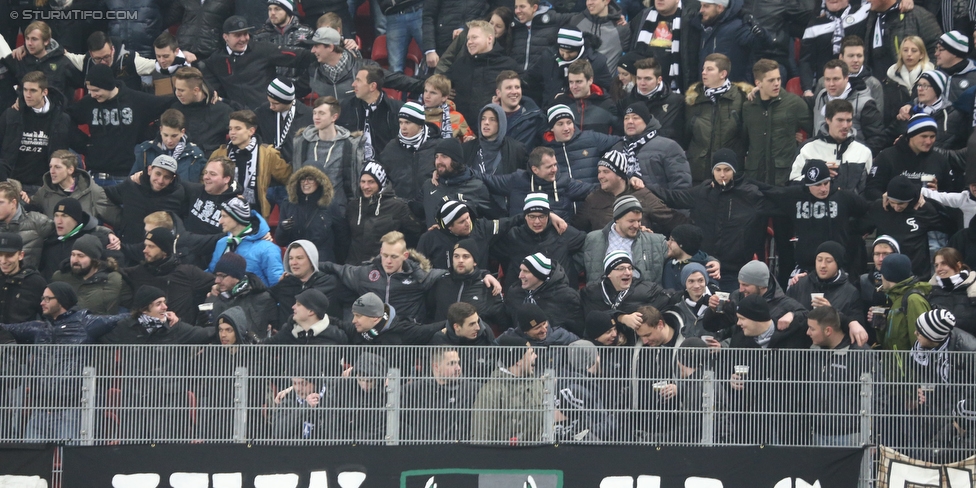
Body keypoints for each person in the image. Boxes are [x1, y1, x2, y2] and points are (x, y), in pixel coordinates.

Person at [0, 283, 125, 442]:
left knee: (69, 463)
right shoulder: (38, 328)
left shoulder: (85, 323)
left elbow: (124, 318)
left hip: (72, 410)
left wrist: (161, 317)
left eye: (47, 298)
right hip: (40, 410)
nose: (42, 303)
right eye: (42, 298)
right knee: (33, 462)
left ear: (62, 300)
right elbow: (4, 328)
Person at [97, 285, 216, 441]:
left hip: (171, 404)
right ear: (144, 308)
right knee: (135, 449)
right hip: (135, 403)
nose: (165, 307)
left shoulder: (175, 327)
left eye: (164, 302)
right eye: (159, 303)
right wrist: (127, 317)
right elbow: (95, 333)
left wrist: (227, 322)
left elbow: (206, 334)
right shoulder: (126, 328)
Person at [651, 149, 776, 290]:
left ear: (734, 171)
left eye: (727, 170)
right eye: (718, 169)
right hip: (706, 268)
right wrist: (643, 187)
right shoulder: (702, 192)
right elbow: (673, 198)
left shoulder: (750, 194)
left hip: (735, 270)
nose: (722, 174)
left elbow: (776, 196)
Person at [67, 64, 172, 185]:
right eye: (90, 90)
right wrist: (85, 145)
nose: (92, 94)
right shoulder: (88, 103)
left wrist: (148, 133)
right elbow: (65, 120)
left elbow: (170, 105)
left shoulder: (136, 100)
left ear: (109, 85)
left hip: (125, 178)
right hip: (94, 177)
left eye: (96, 90)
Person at [764, 159, 871, 273]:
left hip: (838, 266)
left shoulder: (843, 197)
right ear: (808, 185)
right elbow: (766, 192)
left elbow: (870, 210)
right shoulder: (794, 196)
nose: (823, 189)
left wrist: (852, 229)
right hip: (805, 267)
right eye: (818, 185)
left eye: (826, 183)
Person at [322, 231, 446, 322]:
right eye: (385, 255)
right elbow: (335, 268)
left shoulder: (420, 277)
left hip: (406, 336)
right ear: (380, 252)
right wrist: (309, 265)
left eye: (394, 256)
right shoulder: (365, 273)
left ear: (405, 255)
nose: (388, 261)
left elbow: (448, 274)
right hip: (372, 335)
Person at [201, 15, 314, 110]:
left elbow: (297, 57)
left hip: (266, 112)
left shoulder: (263, 50)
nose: (243, 39)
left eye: (245, 34)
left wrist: (319, 55)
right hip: (238, 117)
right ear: (225, 37)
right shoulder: (216, 59)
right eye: (237, 35)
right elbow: (206, 77)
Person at [574, 149, 686, 234]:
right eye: (599, 172)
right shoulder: (593, 199)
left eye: (606, 172)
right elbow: (577, 229)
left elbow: (673, 220)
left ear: (620, 175)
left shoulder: (642, 195)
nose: (600, 176)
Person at [209, 110, 294, 217]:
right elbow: (206, 179)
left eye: (237, 128)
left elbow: (287, 177)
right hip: (223, 211)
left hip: (255, 213)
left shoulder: (268, 154)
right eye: (230, 129)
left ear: (251, 131)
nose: (232, 132)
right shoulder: (219, 153)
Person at [120, 229, 214, 326]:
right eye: (145, 245)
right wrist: (109, 234)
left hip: (180, 333)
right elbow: (110, 272)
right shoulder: (137, 272)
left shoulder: (188, 272)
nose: (145, 250)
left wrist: (215, 290)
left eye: (151, 246)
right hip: (146, 333)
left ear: (164, 251)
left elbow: (219, 283)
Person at [742, 59, 813, 186]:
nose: (776, 84)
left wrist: (801, 147)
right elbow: (743, 141)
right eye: (771, 80)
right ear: (758, 83)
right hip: (754, 177)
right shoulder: (748, 107)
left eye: (778, 79)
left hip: (784, 177)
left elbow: (814, 131)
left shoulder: (794, 103)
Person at [492, 193, 586, 288]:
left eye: (542, 216)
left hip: (558, 296)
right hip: (523, 296)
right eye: (532, 217)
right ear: (525, 216)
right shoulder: (514, 236)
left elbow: (586, 241)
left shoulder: (561, 232)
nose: (537, 222)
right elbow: (485, 233)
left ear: (548, 216)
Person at [477, 146, 594, 221]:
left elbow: (594, 191)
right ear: (535, 169)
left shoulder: (564, 183)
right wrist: (463, 171)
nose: (555, 169)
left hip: (555, 242)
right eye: (549, 167)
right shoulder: (517, 180)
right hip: (521, 241)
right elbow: (488, 181)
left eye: (555, 164)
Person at [862, 175, 944, 279]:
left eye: (901, 204)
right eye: (892, 203)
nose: (896, 207)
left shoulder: (922, 208)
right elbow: (862, 225)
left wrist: (926, 198)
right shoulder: (880, 208)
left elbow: (950, 223)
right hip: (886, 275)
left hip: (917, 275)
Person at [0, 71, 72, 188]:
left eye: (33, 90)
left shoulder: (61, 119)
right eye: (25, 90)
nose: (28, 95)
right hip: (11, 184)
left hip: (43, 186)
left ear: (44, 92)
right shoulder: (12, 114)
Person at [684, 53, 748, 183]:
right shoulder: (692, 99)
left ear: (722, 74)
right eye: (703, 69)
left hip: (729, 172)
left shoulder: (741, 98)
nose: (703, 73)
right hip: (698, 172)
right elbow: (685, 134)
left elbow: (746, 134)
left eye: (709, 69)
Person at [345, 162, 425, 264]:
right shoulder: (353, 206)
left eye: (371, 182)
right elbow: (344, 239)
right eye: (363, 181)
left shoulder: (398, 206)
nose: (366, 186)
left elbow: (415, 234)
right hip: (355, 268)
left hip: (385, 268)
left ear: (380, 183)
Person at [444, 20, 520, 126]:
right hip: (463, 133)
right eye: (468, 39)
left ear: (489, 39)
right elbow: (437, 84)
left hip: (495, 132)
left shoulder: (508, 65)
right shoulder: (460, 64)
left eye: (474, 37)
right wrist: (445, 91)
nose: (469, 42)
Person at [789, 99, 874, 194]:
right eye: (840, 120)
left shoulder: (863, 152)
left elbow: (869, 189)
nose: (845, 125)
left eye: (849, 120)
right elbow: (793, 185)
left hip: (850, 207)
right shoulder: (808, 148)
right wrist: (817, 173)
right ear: (828, 120)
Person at [470, 336, 545, 444]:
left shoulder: (537, 384)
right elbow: (482, 434)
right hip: (504, 456)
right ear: (518, 361)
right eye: (531, 353)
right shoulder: (491, 391)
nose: (536, 356)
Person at [583, 195, 668, 286]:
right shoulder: (593, 239)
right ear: (617, 219)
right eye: (631, 221)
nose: (636, 225)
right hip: (602, 296)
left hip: (642, 297)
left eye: (639, 221)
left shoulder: (656, 241)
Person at [108, 155, 190, 246]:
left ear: (172, 179)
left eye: (166, 177)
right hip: (127, 246)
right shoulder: (132, 185)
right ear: (150, 170)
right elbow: (105, 195)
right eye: (158, 174)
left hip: (158, 252)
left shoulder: (178, 194)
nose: (160, 180)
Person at [400, 347, 478, 442]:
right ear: (436, 367)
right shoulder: (412, 391)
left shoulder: (473, 389)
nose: (458, 368)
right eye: (452, 364)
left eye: (458, 362)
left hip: (460, 451)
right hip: (425, 451)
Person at [522, 27, 613, 107]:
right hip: (550, 110)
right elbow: (532, 80)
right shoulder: (548, 57)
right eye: (562, 51)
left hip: (584, 114)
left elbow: (606, 90)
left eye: (570, 52)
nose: (565, 56)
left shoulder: (597, 62)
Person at [426, 238, 507, 327]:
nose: (460, 260)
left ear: (475, 262)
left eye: (466, 256)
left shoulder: (487, 286)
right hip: (443, 338)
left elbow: (502, 321)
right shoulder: (440, 281)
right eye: (456, 256)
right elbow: (429, 312)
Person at [812, 59, 886, 155]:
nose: (831, 84)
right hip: (822, 157)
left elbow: (877, 138)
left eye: (836, 79)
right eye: (827, 79)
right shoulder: (821, 96)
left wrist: (858, 158)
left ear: (846, 78)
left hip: (852, 162)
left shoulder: (865, 103)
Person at [293, 95, 356, 207]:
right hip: (309, 207)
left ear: (334, 117)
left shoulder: (349, 144)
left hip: (338, 208)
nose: (316, 117)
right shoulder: (303, 142)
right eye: (314, 113)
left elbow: (353, 180)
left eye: (322, 113)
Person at [379, 101, 441, 212]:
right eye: (401, 122)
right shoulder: (391, 148)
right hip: (399, 210)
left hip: (431, 209)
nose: (403, 127)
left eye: (407, 122)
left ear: (420, 124)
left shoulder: (438, 146)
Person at [799, 0, 872, 95]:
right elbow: (806, 61)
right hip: (827, 87)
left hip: (860, 83)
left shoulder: (862, 13)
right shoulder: (814, 26)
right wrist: (807, 89)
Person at [417, 200, 514, 270]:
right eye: (462, 222)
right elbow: (419, 269)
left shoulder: (482, 228)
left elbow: (511, 222)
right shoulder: (429, 239)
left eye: (467, 217)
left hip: (478, 287)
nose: (468, 223)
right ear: (450, 226)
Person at [31, 151, 120, 227]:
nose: (52, 171)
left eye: (57, 167)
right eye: (51, 167)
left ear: (70, 170)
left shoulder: (92, 191)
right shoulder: (43, 192)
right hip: (54, 244)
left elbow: (117, 218)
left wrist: (107, 234)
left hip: (83, 245)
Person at [208, 198, 284, 287]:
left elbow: (278, 286)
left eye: (224, 216)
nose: (220, 221)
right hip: (223, 299)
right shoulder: (222, 243)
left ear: (237, 218)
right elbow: (212, 274)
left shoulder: (268, 249)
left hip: (255, 300)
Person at [615, 102, 690, 191]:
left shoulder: (668, 147)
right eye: (626, 118)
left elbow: (681, 185)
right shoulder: (617, 149)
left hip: (659, 203)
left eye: (635, 118)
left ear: (646, 122)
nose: (630, 122)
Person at [505, 253, 584, 336]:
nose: (520, 276)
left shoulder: (567, 297)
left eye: (526, 271)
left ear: (539, 274)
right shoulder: (514, 293)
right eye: (521, 270)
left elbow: (578, 331)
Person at [541, 104, 620, 187]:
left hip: (595, 195)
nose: (566, 128)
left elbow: (621, 141)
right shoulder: (546, 151)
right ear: (552, 128)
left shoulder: (591, 137)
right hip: (565, 198)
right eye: (560, 124)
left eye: (569, 123)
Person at [787, 241, 866, 323]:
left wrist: (832, 313)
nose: (823, 265)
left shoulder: (850, 292)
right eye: (819, 260)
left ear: (838, 263)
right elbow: (783, 309)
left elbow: (857, 326)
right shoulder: (800, 284)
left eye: (828, 261)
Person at [204, 252, 280, 338]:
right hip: (221, 351)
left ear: (236, 276)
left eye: (222, 276)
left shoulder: (263, 299)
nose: (217, 281)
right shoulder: (213, 298)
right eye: (216, 276)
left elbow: (276, 330)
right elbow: (205, 330)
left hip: (254, 350)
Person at [39, 198, 117, 281]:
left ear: (76, 220)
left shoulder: (93, 241)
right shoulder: (49, 241)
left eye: (65, 216)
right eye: (56, 216)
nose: (59, 221)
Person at [336, 65, 403, 162]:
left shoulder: (396, 109)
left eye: (358, 80)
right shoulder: (345, 107)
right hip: (354, 166)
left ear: (372, 86)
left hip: (386, 167)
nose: (353, 84)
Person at [581, 250, 671, 321]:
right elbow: (592, 318)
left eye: (630, 268)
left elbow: (669, 296)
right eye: (621, 269)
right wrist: (621, 318)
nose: (628, 273)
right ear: (608, 274)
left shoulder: (647, 289)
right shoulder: (591, 293)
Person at [554, 340, 616, 442]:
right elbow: (590, 429)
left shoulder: (568, 381)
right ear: (594, 358)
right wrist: (617, 419)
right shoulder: (578, 390)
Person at [421, 138, 492, 228]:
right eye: (436, 157)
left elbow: (491, 221)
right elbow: (415, 211)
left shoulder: (476, 187)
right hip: (434, 241)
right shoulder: (429, 185)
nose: (438, 161)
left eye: (444, 156)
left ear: (456, 160)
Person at [273, 165, 337, 262]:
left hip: (322, 263)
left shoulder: (330, 205)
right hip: (297, 262)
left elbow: (341, 236)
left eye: (310, 179)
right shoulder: (289, 204)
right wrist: (283, 229)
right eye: (302, 179)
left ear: (319, 181)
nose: (305, 182)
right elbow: (281, 241)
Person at [689, 0, 761, 83]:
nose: (701, 10)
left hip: (733, 91)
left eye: (706, 6)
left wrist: (761, 33)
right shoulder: (702, 27)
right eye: (701, 6)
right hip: (708, 88)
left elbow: (761, 44)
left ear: (719, 7)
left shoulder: (739, 27)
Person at [462, 103, 527, 194]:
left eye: (492, 119)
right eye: (483, 118)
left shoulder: (516, 149)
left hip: (504, 203)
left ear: (501, 123)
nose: (486, 122)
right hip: (473, 201)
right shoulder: (467, 148)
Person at [864, 0, 941, 78]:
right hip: (877, 86)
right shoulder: (868, 18)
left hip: (912, 85)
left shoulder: (918, 15)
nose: (867, 0)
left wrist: (924, 77)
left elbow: (936, 49)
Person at [50, 234, 124, 315]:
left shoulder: (112, 279)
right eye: (73, 255)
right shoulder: (60, 277)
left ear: (94, 260)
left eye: (81, 256)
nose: (75, 260)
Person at [269, 239, 339, 324]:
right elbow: (264, 298)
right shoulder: (285, 284)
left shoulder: (329, 283)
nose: (293, 263)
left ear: (311, 260)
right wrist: (273, 322)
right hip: (287, 336)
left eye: (299, 258)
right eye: (291, 258)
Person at [299, 26, 376, 103]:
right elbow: (295, 92)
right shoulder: (313, 70)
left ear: (330, 47)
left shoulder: (364, 67)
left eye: (316, 46)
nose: (312, 50)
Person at [170, 67, 234, 158]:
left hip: (213, 162)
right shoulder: (175, 109)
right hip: (183, 162)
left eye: (181, 90)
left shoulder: (222, 111)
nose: (177, 94)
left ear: (196, 90)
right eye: (176, 89)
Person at [131, 109, 208, 184]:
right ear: (160, 130)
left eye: (174, 136)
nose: (169, 140)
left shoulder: (195, 155)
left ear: (182, 132)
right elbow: (131, 180)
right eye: (165, 135)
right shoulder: (146, 150)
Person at [1, 21, 77, 95]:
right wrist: (14, 103)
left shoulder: (62, 62)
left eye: (34, 39)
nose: (29, 43)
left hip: (54, 106)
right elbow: (3, 85)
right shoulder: (18, 58)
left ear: (46, 41)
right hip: (24, 106)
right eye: (27, 38)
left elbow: (76, 86)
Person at [340, 292, 442, 345]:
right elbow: (333, 322)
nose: (353, 320)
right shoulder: (356, 330)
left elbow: (432, 329)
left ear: (375, 318)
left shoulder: (404, 330)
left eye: (358, 316)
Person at [623, 57, 686, 144]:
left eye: (647, 79)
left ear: (659, 79)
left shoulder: (677, 101)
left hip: (666, 152)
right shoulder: (626, 101)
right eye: (639, 78)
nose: (642, 83)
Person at [552, 59, 622, 135]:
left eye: (578, 82)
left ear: (590, 80)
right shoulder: (560, 103)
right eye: (571, 82)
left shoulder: (607, 105)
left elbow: (619, 133)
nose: (574, 86)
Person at [878, 252, 931, 350]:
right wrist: (880, 326)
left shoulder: (913, 300)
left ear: (888, 275)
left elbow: (920, 343)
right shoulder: (896, 298)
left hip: (909, 365)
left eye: (882, 273)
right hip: (895, 364)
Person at [253, 0, 316, 79]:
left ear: (288, 11)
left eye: (277, 9)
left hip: (300, 87)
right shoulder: (259, 36)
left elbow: (314, 62)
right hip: (269, 87)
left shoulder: (307, 33)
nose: (272, 13)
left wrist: (301, 85)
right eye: (270, 9)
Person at [256, 78, 312, 164]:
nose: (271, 106)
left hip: (296, 168)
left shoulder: (308, 116)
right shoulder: (263, 111)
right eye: (269, 102)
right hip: (270, 166)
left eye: (275, 103)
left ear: (287, 102)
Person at [882, 35, 933, 126]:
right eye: (905, 50)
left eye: (914, 51)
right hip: (896, 125)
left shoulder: (930, 77)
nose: (909, 54)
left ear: (921, 54)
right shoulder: (891, 78)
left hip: (923, 124)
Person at [265, 288, 347, 345]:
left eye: (298, 304)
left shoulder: (335, 336)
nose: (293, 307)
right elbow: (263, 347)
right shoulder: (288, 331)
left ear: (311, 311)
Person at [422, 0, 491, 66]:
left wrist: (466, 28)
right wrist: (430, 49)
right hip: (441, 46)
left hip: (471, 48)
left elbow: (487, 12)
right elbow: (428, 16)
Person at [508, 0, 570, 72]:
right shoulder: (513, 25)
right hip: (517, 79)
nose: (517, 11)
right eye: (516, 7)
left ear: (534, 8)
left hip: (543, 79)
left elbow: (579, 18)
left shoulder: (554, 20)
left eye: (522, 6)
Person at [569, 0, 629, 72]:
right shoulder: (576, 21)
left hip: (606, 82)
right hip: (577, 81)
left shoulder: (621, 28)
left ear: (606, 1)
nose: (589, 3)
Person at [928, 247, 976, 335]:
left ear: (958, 265)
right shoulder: (930, 291)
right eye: (936, 265)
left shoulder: (973, 289)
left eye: (944, 263)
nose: (939, 269)